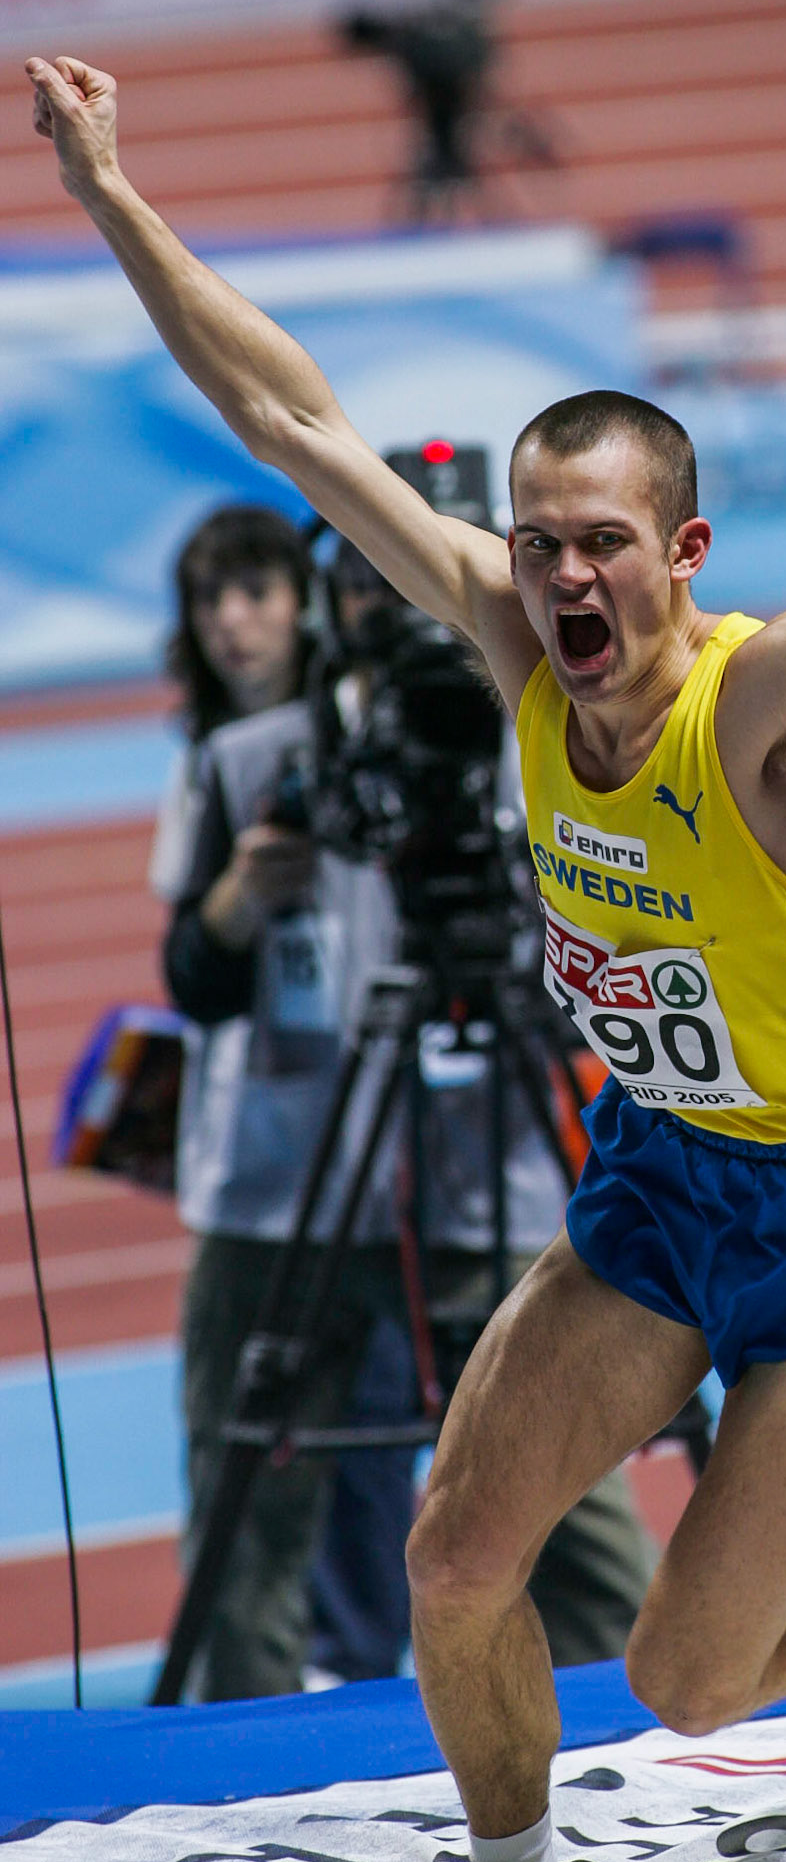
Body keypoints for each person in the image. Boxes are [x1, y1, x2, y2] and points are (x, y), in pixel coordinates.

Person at [29, 52, 786, 1862]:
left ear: (682, 556)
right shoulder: (512, 650)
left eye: (604, 545)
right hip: (663, 1174)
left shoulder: (767, 697)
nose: (565, 577)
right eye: (540, 543)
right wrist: (111, 194)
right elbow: (294, 425)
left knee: (686, 1675)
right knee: (454, 1556)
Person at [149, 502, 655, 1698]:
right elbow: (191, 974)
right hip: (284, 1184)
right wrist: (236, 899)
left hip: (486, 1177)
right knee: (250, 1520)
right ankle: (240, 1775)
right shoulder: (251, 762)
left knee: (566, 1487)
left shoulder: (551, 751)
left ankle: (644, 1739)